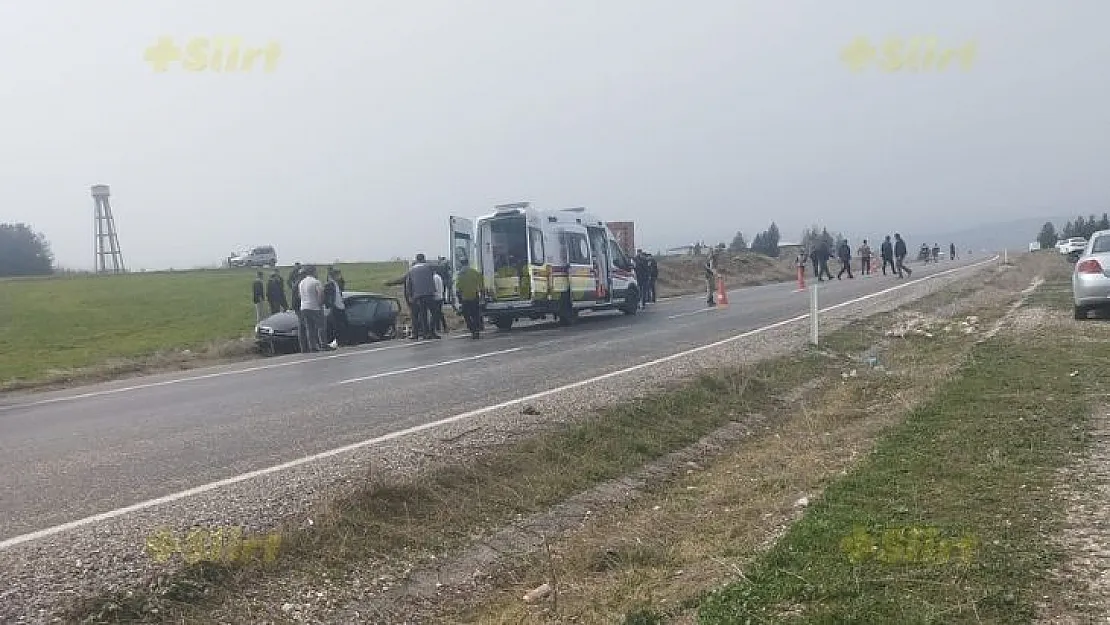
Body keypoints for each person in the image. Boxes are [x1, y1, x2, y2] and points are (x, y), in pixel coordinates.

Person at [404, 253, 439, 340]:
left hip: (418, 295)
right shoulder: (429, 267)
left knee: (423, 315)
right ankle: (431, 331)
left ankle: (425, 333)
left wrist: (410, 296)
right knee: (434, 313)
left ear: (416, 260)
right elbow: (438, 268)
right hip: (429, 294)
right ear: (424, 259)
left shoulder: (411, 270)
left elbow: (409, 284)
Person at [298, 265, 326, 352]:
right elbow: (320, 293)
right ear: (313, 272)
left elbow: (299, 295)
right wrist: (320, 303)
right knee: (321, 326)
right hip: (314, 307)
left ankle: (312, 346)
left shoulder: (301, 283)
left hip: (304, 307)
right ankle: (323, 344)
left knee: (309, 328)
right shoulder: (316, 282)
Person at [455, 258, 483, 339]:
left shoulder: (460, 274)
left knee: (466, 315)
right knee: (475, 314)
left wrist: (459, 298)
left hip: (465, 298)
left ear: (461, 263)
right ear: (468, 263)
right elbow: (481, 283)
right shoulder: (474, 272)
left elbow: (458, 287)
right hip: (474, 296)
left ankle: (472, 329)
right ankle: (476, 329)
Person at [324, 269, 346, 348]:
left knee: (342, 325)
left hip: (341, 306)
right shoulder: (329, 284)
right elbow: (326, 296)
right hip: (335, 306)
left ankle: (342, 341)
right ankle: (339, 342)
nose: (339, 276)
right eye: (338, 275)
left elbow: (342, 287)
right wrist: (329, 305)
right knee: (337, 325)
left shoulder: (337, 284)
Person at [431, 269, 448, 334]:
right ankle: (440, 327)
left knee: (436, 313)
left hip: (436, 297)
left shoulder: (434, 278)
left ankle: (441, 327)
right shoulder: (439, 277)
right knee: (439, 313)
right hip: (440, 296)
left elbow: (434, 288)